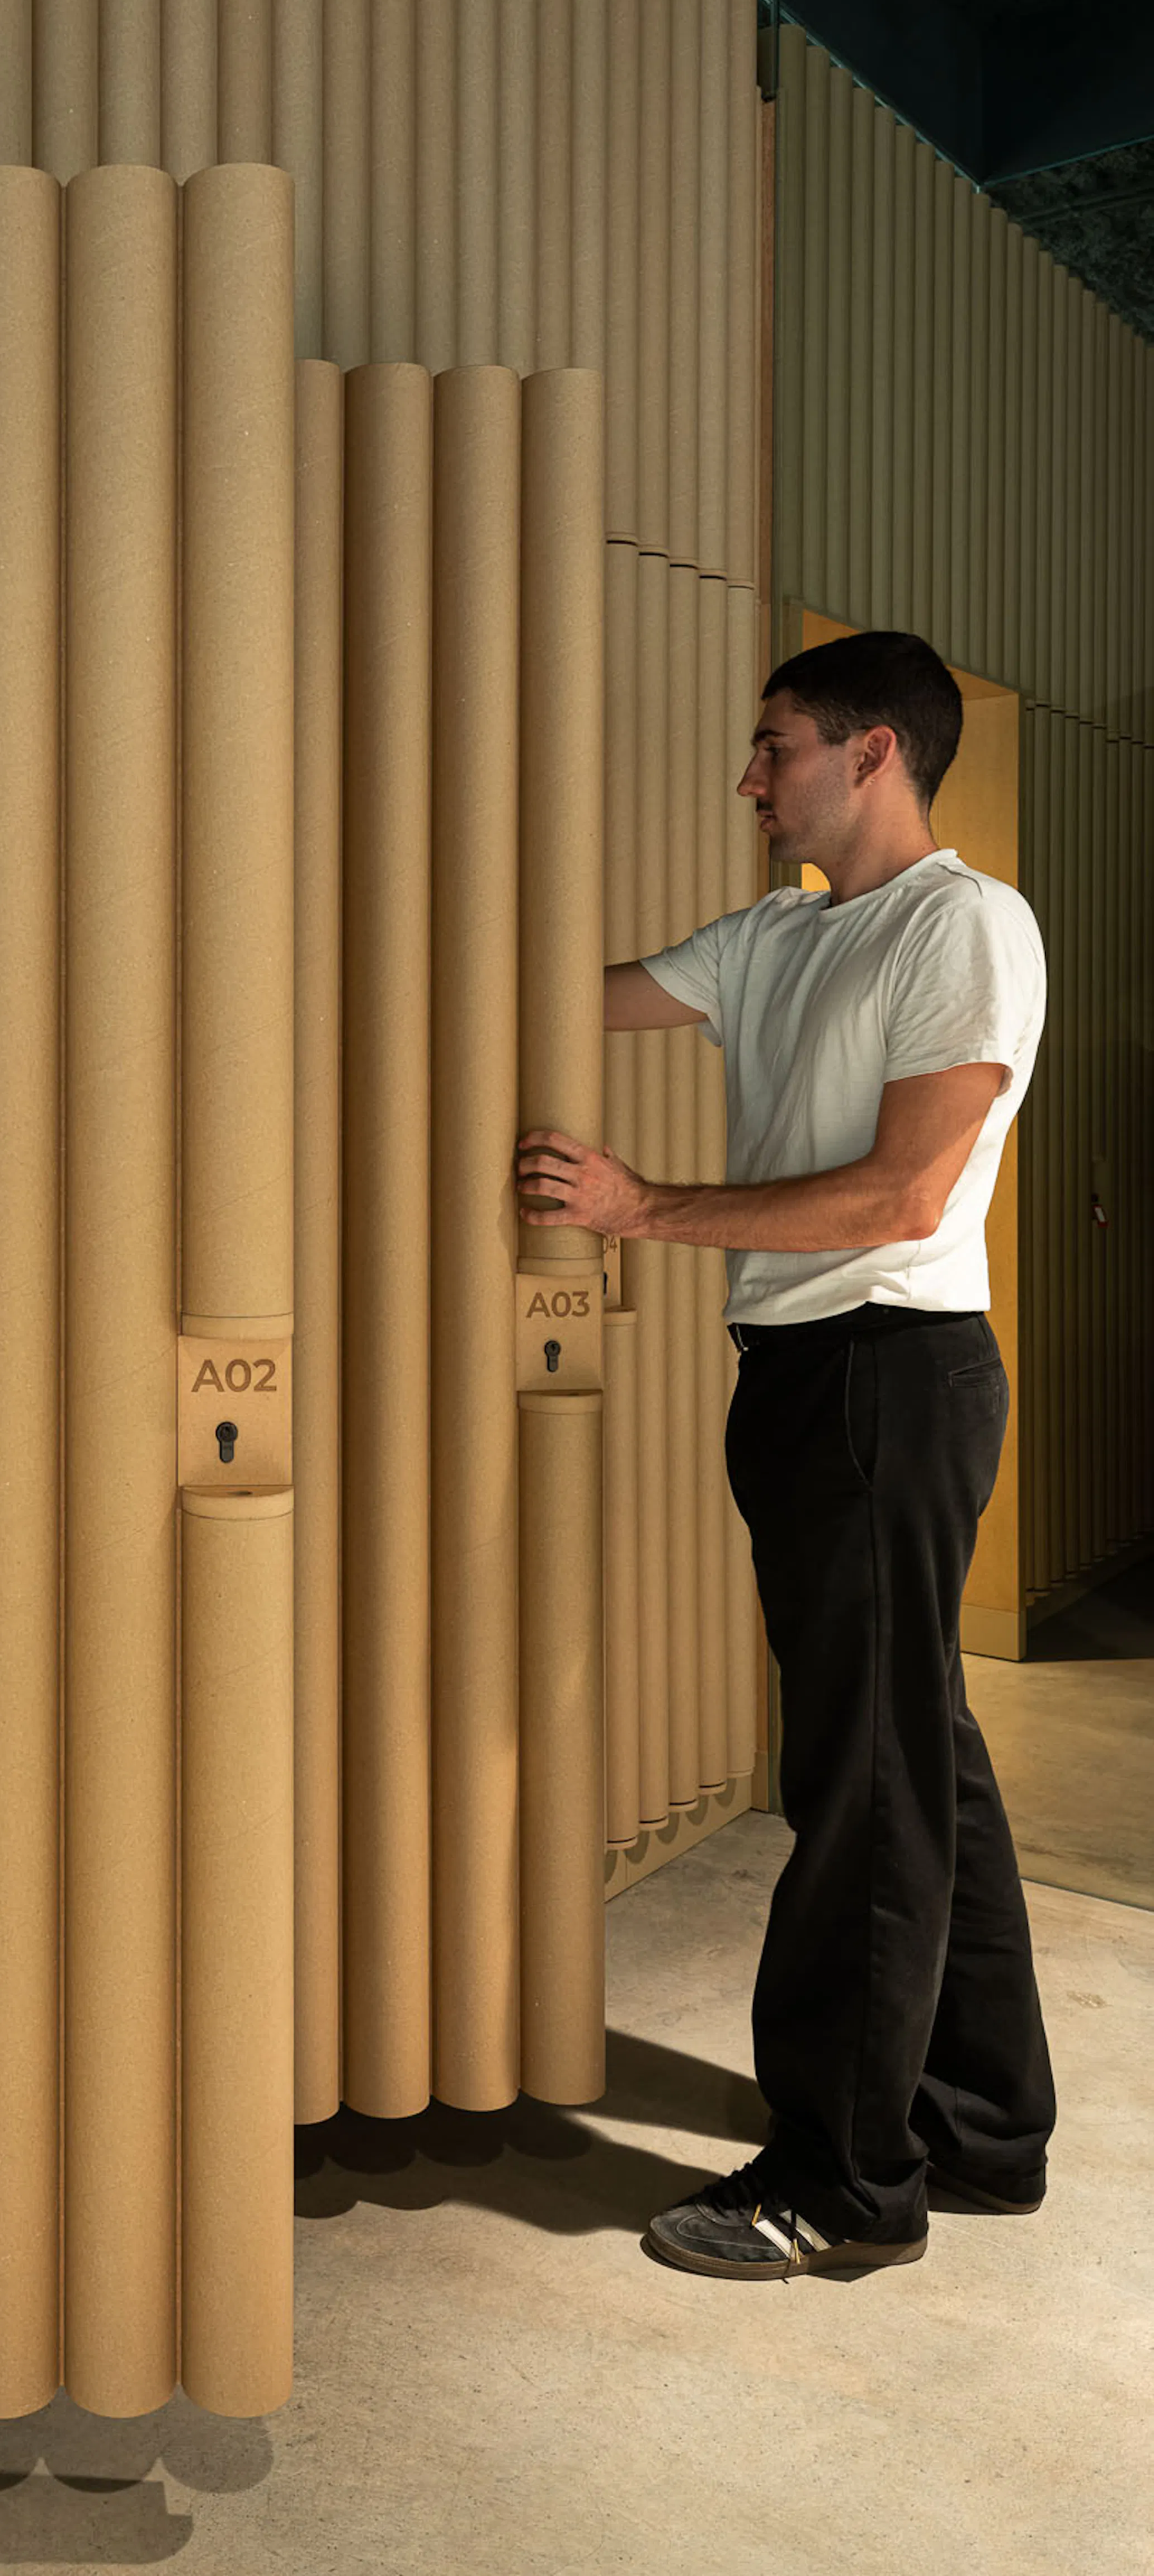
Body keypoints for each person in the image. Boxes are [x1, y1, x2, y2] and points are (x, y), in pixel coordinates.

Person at [515, 626, 1056, 2283]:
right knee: (918, 1752)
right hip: (803, 1380)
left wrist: (642, 1208)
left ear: (873, 752)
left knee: (863, 1780)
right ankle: (979, 2123)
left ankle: (840, 2185)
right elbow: (559, 996)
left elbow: (901, 1195)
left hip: (891, 1375)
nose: (752, 779)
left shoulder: (963, 927)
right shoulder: (776, 937)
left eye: (778, 746)